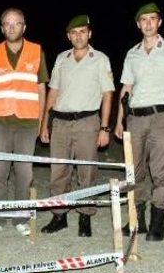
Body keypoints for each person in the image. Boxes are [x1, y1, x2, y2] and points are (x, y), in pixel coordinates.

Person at [114, 3, 164, 241]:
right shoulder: (132, 53)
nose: (148, 24)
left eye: (152, 19)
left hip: (161, 118)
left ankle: (158, 224)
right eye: (143, 20)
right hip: (134, 118)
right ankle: (137, 221)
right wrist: (118, 121)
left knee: (160, 171)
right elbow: (125, 88)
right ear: (138, 24)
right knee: (135, 171)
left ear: (159, 22)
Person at [39, 15, 114, 237]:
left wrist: (105, 128)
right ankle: (59, 215)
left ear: (89, 34)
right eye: (74, 32)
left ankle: (85, 216)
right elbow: (53, 91)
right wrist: (45, 125)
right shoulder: (62, 58)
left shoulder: (100, 59)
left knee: (86, 171)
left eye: (82, 31)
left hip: (87, 122)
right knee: (59, 171)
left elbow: (108, 94)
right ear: (68, 36)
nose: (78, 36)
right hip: (60, 122)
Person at [0, 8, 49, 238]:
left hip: (28, 122)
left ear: (24, 27)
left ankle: (20, 218)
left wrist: (42, 123)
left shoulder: (37, 51)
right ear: (2, 28)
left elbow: (41, 89)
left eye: (16, 23)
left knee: (24, 173)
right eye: (7, 24)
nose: (11, 27)